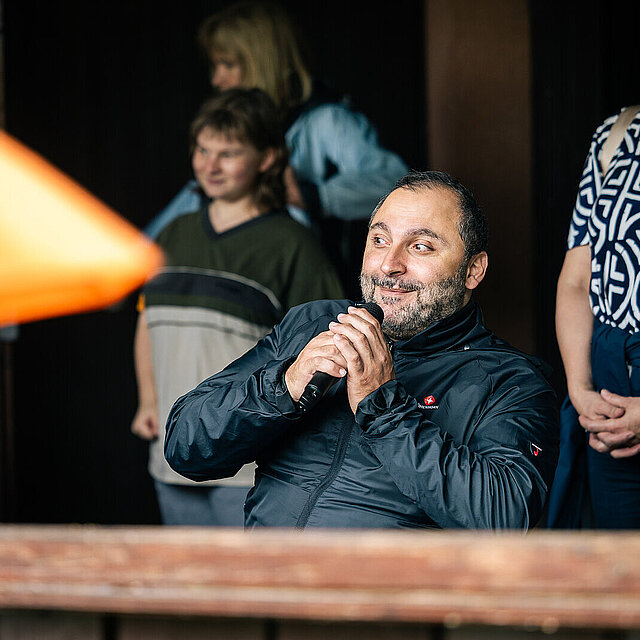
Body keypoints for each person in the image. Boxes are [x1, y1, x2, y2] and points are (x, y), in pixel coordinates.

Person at [164, 170, 559, 530]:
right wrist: (285, 386)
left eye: (420, 246)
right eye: (379, 239)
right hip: (269, 586)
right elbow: (186, 446)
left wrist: (382, 406)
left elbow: (505, 517)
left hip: (382, 601)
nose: (389, 264)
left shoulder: (511, 380)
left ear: (473, 269)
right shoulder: (314, 324)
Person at [131, 88, 344, 526]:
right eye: (202, 150)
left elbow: (328, 349)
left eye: (228, 153)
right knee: (187, 588)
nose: (210, 165)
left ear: (267, 158)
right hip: (172, 452)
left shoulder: (293, 245)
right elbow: (147, 324)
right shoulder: (174, 233)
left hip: (251, 463)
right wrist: (148, 400)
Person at [144, 0, 408, 287]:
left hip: (309, 289)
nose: (216, 79)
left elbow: (393, 183)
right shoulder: (228, 141)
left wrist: (310, 196)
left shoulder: (326, 120)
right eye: (205, 152)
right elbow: (150, 244)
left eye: (228, 64)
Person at [548, 106, 640, 529]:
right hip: (609, 369)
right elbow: (576, 280)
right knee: (620, 557)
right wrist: (580, 387)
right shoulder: (616, 133)